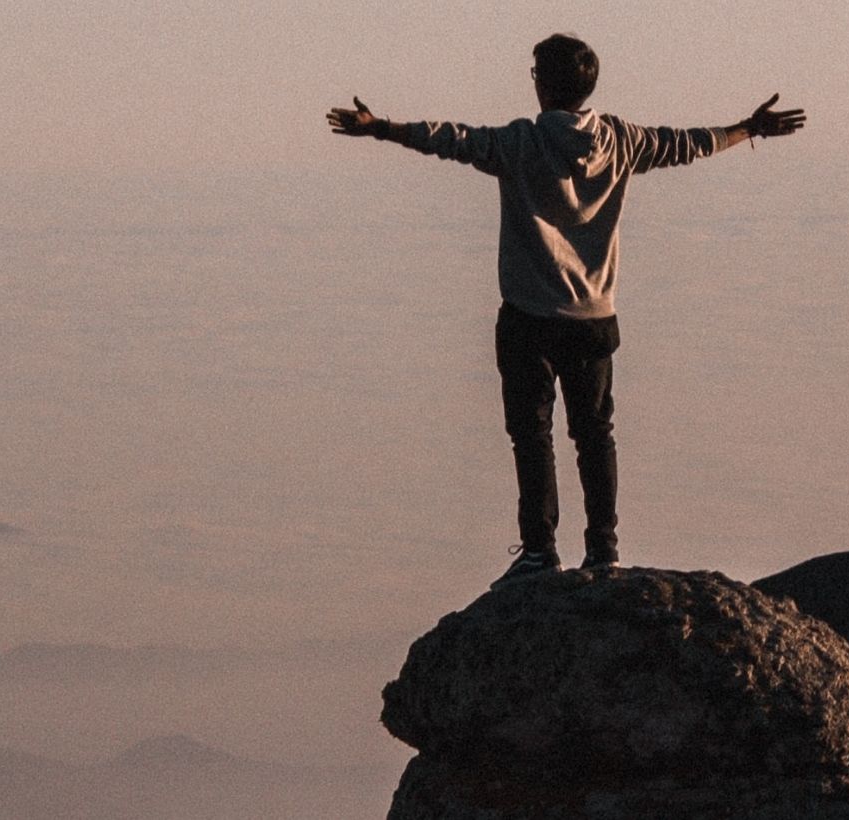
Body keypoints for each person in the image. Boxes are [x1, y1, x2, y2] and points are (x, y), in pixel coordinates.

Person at [326, 33, 806, 590]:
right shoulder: (622, 140)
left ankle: (539, 552)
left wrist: (380, 127)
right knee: (595, 434)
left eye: (534, 72)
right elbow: (689, 143)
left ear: (545, 84)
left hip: (530, 317)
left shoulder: (521, 143)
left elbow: (451, 140)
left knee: (533, 437)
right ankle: (603, 549)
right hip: (595, 318)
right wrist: (750, 129)